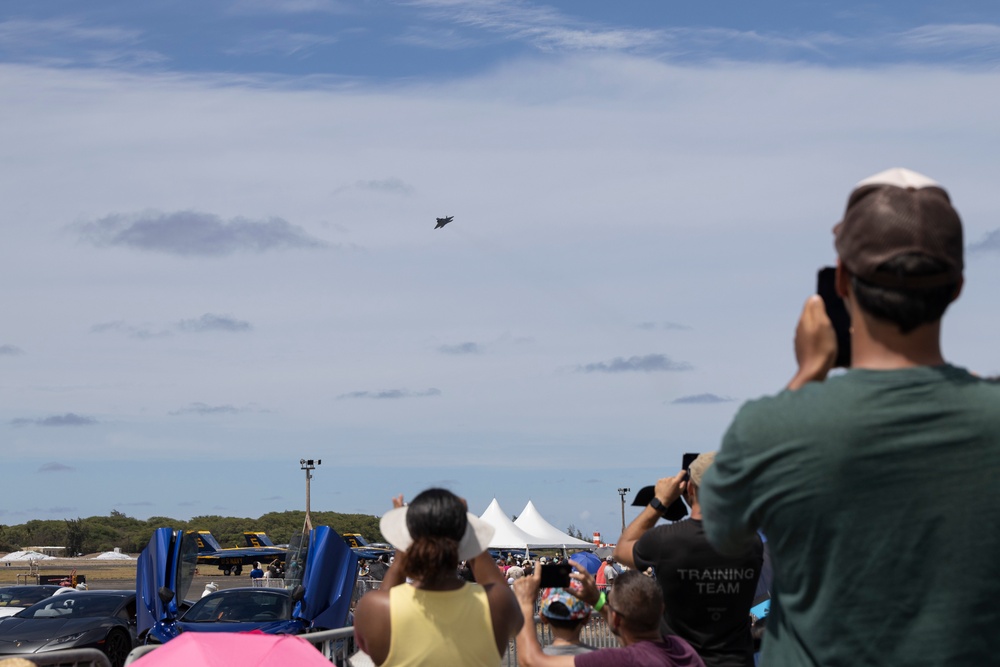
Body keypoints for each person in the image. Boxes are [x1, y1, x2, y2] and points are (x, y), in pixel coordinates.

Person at [699, 167, 1000, 666]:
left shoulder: (773, 427)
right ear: (957, 286)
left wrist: (808, 374)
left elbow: (720, 528)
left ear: (840, 280)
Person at [613, 453, 762, 667]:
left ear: (690, 488)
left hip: (680, 661)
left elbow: (621, 550)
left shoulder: (666, 540)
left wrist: (661, 500)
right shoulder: (752, 543)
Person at [353, 488, 523, 666]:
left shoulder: (375, 608)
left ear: (408, 541)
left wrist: (402, 533)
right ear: (462, 540)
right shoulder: (498, 604)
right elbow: (499, 589)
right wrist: (466, 524)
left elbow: (387, 600)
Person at [514, 563, 705, 667]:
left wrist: (524, 603)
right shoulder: (683, 649)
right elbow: (622, 624)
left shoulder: (624, 660)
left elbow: (531, 661)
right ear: (661, 609)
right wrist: (596, 600)